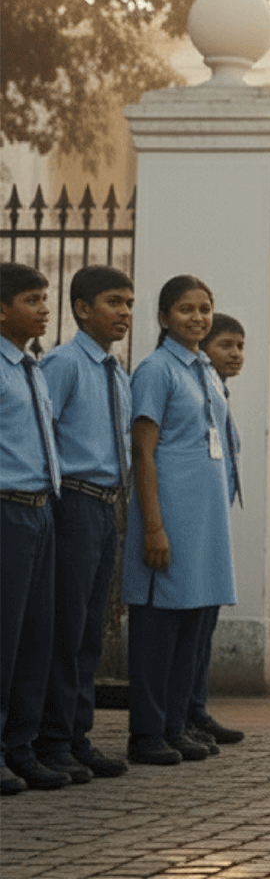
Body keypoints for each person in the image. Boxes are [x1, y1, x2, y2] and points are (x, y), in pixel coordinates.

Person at [123, 275, 238, 766]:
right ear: (164, 316)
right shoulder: (156, 370)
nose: (198, 318)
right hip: (169, 517)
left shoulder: (206, 371)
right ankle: (147, 733)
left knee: (191, 626)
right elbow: (143, 452)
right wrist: (153, 525)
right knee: (158, 630)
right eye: (187, 310)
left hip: (205, 522)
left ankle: (174, 725)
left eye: (205, 309)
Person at [34, 266, 138, 784]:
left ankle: (77, 736)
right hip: (72, 503)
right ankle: (51, 740)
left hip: (105, 506)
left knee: (92, 630)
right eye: (114, 302)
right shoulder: (63, 365)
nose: (124, 313)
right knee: (66, 627)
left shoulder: (117, 371)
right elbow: (40, 434)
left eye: (129, 304)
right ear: (81, 308)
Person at [1, 263, 67, 793]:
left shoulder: (30, 366)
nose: (45, 308)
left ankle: (21, 748)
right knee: (4, 636)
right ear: (2, 309)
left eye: (45, 297)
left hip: (42, 510)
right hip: (6, 509)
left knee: (35, 637)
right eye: (31, 299)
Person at [183, 312, 247, 750]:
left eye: (241, 347)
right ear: (204, 348)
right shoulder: (185, 385)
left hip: (213, 519)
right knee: (188, 625)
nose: (236, 354)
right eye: (226, 345)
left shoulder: (218, 392)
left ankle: (195, 709)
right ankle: (182, 714)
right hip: (191, 522)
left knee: (205, 624)